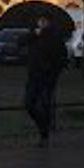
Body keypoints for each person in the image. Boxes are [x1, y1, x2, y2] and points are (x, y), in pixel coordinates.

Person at [23, 16, 68, 145]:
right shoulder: (33, 36)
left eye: (44, 21)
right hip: (33, 75)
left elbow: (62, 58)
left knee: (44, 104)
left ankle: (44, 134)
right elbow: (20, 41)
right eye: (40, 21)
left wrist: (54, 71)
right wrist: (33, 35)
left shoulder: (55, 38)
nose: (42, 23)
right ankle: (43, 127)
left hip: (48, 76)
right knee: (29, 103)